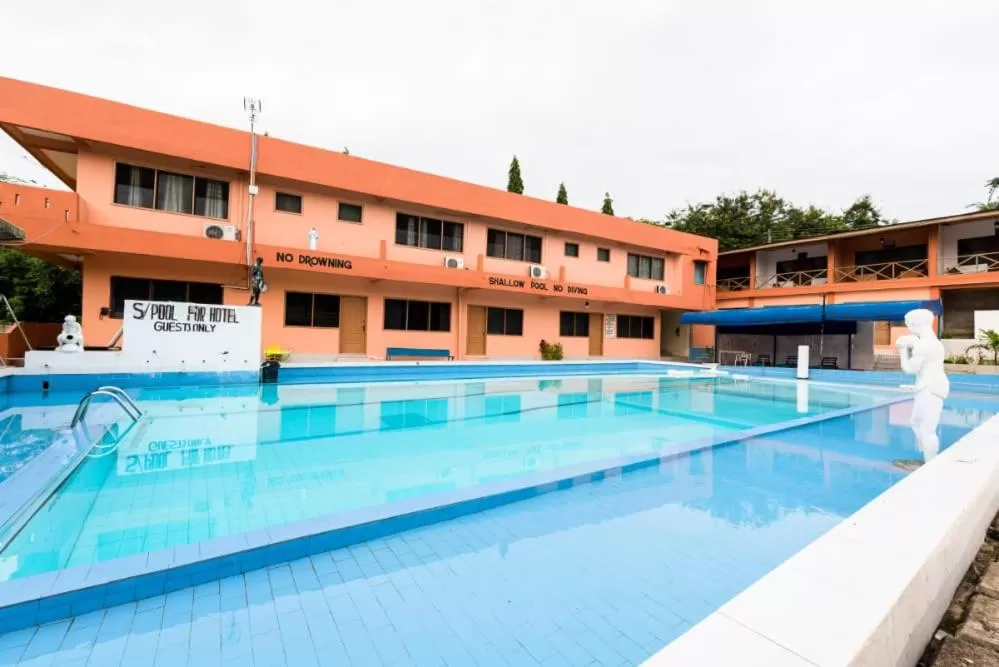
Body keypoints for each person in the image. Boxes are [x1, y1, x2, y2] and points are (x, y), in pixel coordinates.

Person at [896, 308, 949, 461]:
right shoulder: (931, 342)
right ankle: (928, 454)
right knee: (916, 422)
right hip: (927, 386)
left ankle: (930, 462)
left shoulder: (925, 345)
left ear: (915, 324)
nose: (908, 329)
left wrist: (903, 350)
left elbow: (910, 369)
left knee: (927, 430)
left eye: (908, 325)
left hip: (931, 388)